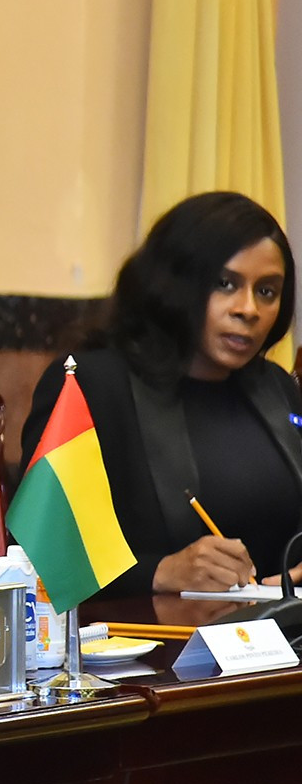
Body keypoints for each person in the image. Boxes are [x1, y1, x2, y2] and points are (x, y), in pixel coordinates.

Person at [21, 191, 302, 596]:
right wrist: (161, 573)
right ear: (175, 284)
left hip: (277, 642)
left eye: (267, 292)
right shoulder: (89, 386)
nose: (248, 309)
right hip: (145, 644)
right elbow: (42, 557)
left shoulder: (275, 388)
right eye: (225, 284)